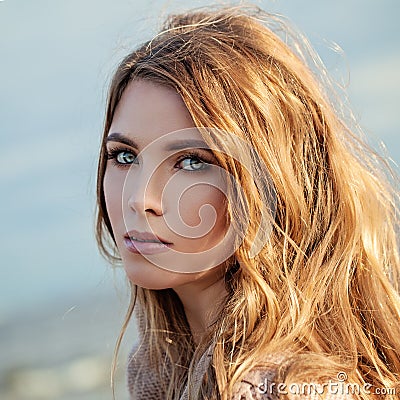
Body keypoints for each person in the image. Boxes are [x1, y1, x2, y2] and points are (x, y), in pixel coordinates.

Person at [95, 5, 400, 400]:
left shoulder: (271, 389)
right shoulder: (160, 367)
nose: (140, 199)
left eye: (191, 162)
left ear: (277, 184)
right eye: (124, 156)